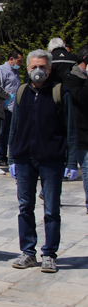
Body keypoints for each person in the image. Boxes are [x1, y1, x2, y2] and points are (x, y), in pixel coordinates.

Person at [9, 49, 77, 273]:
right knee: (25, 207)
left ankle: (49, 254)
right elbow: (14, 126)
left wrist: (71, 162)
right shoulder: (21, 92)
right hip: (25, 159)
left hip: (51, 160)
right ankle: (28, 252)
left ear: (49, 69)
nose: (38, 71)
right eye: (33, 67)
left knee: (51, 209)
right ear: (27, 69)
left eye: (42, 67)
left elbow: (70, 129)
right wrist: (11, 157)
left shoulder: (60, 92)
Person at [63, 44, 88, 214]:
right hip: (78, 131)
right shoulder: (72, 78)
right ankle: (47, 191)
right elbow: (82, 99)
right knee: (85, 166)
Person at [0, 50, 24, 167]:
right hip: (4, 107)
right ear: (11, 59)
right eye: (18, 61)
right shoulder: (1, 70)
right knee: (1, 132)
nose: (20, 64)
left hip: (13, 107)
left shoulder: (15, 71)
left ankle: (4, 155)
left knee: (8, 133)